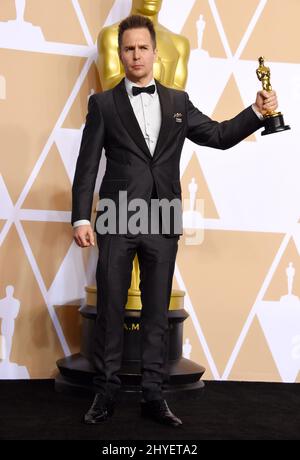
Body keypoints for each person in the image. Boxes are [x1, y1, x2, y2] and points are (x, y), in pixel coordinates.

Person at [72, 15, 278, 427]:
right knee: (111, 308)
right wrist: (81, 217)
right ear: (120, 53)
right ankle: (106, 394)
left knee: (156, 313)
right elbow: (88, 163)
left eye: (142, 47)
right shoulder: (104, 103)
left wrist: (256, 112)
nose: (135, 55)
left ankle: (153, 396)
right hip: (116, 216)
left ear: (154, 52)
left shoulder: (178, 102)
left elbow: (218, 135)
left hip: (162, 216)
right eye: (128, 48)